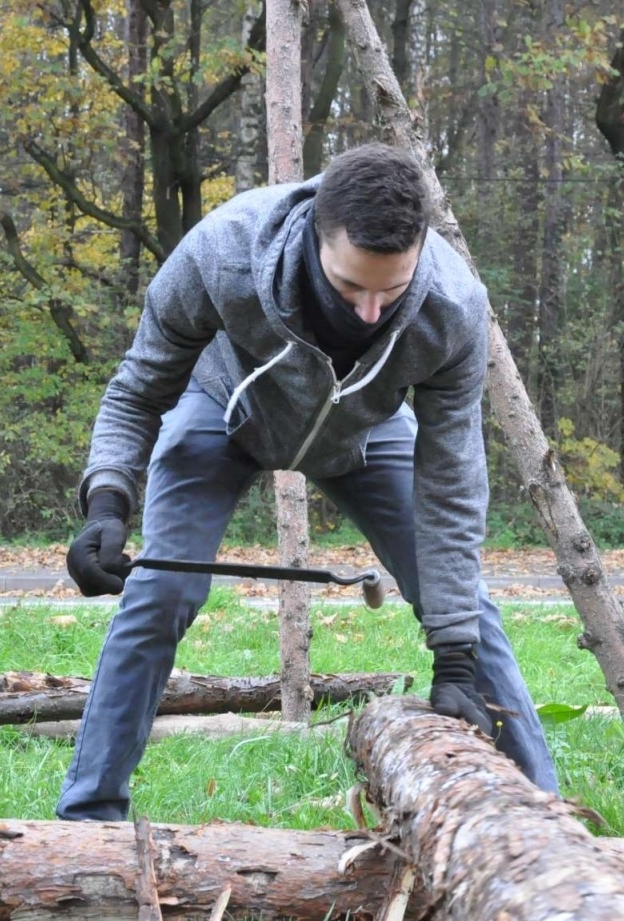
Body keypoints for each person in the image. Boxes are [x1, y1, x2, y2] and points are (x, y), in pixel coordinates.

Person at [57, 144, 558, 821]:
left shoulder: (452, 307)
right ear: (317, 236)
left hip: (366, 428)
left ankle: (540, 815)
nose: (372, 311)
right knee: (161, 590)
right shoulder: (225, 252)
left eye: (393, 288)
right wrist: (107, 501)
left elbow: (452, 480)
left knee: (464, 604)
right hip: (225, 409)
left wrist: (456, 659)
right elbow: (138, 391)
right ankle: (90, 816)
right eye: (352, 288)